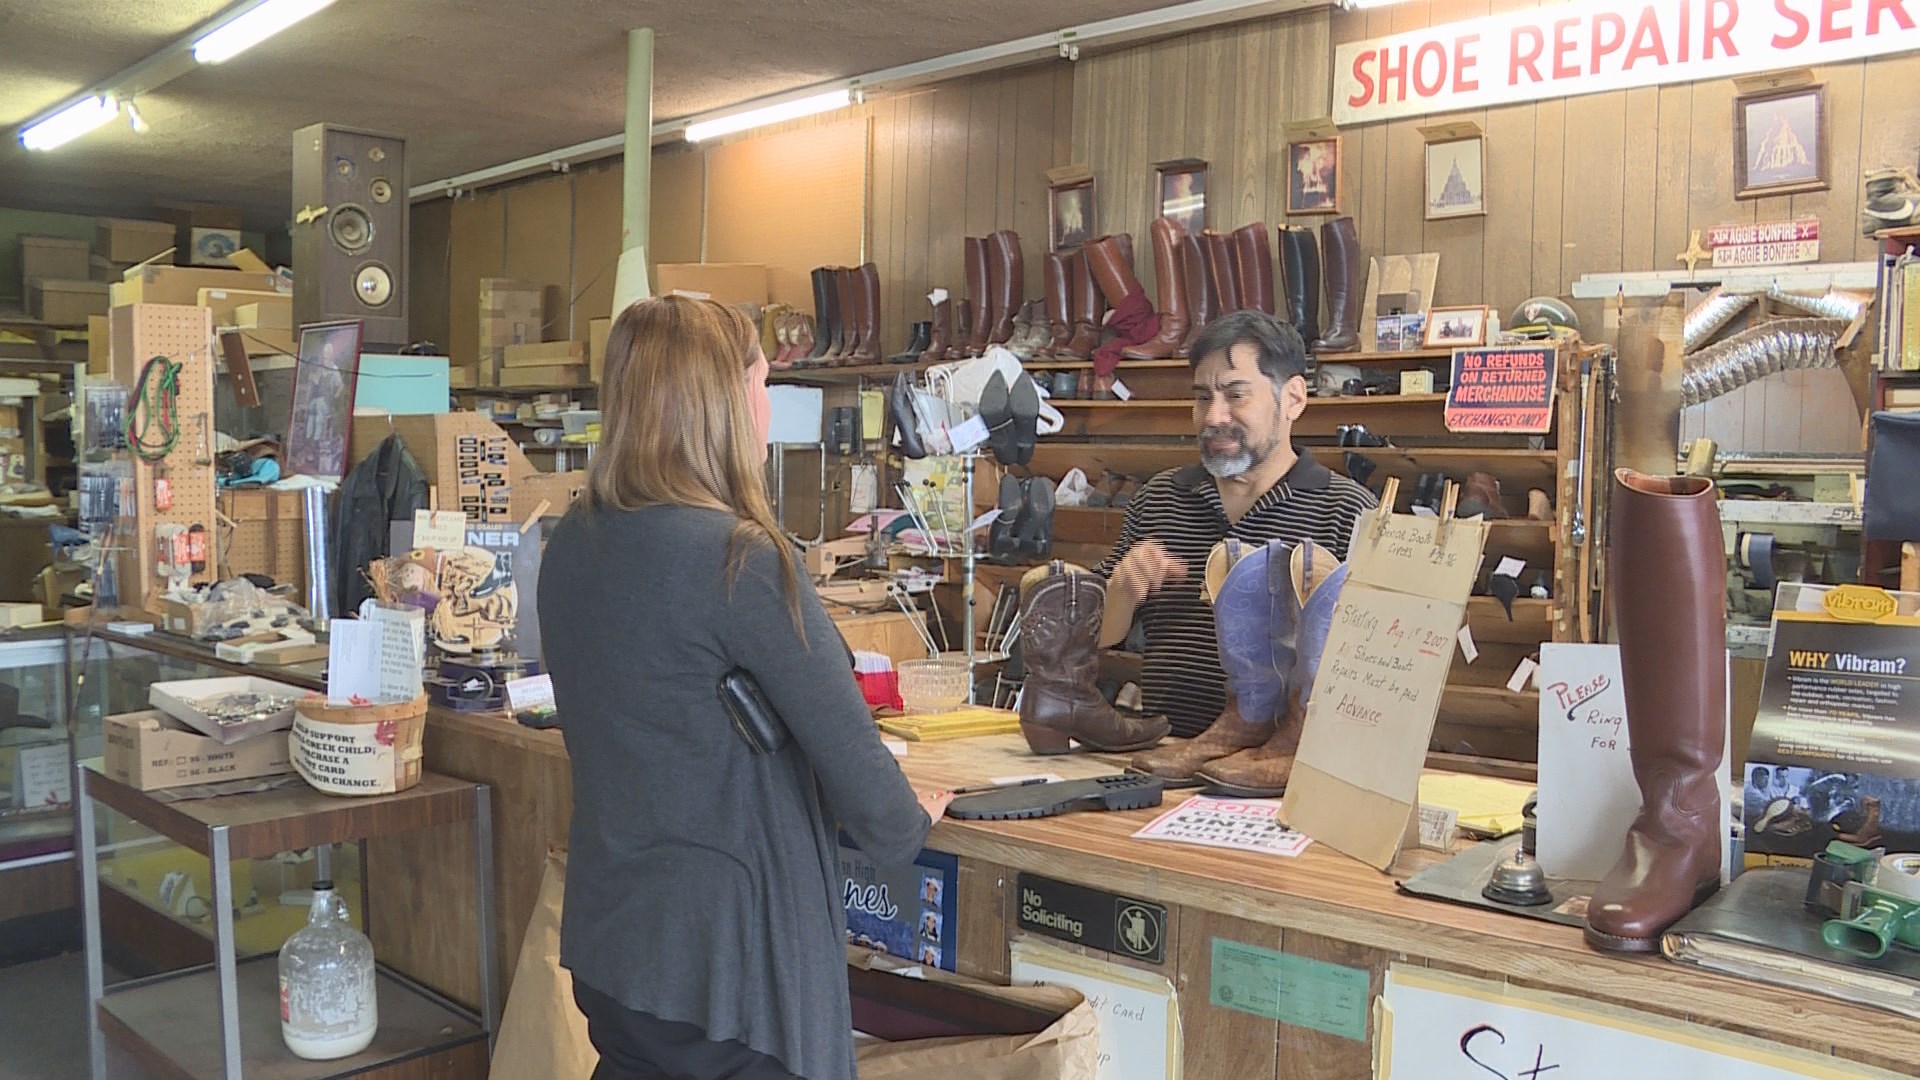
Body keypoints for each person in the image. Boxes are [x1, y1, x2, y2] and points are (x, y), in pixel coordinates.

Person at [540, 295, 952, 1080]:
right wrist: (906, 821)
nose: (766, 407)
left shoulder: (572, 545)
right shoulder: (739, 559)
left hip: (616, 948)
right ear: (726, 402)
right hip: (725, 973)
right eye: (761, 383)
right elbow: (862, 779)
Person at [1099, 309, 1377, 739]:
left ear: (1294, 399)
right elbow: (1100, 636)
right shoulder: (1160, 499)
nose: (1213, 417)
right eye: (1203, 398)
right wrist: (1121, 590)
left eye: (1236, 395)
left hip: (1288, 769)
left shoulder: (1347, 511)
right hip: (1167, 750)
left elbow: (1371, 672)